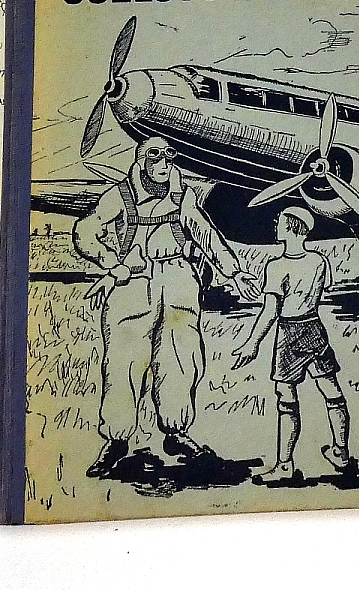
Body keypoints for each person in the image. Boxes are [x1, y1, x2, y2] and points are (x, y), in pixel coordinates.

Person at [74, 136, 262, 478]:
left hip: (178, 280)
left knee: (181, 359)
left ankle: (176, 432)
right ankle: (116, 439)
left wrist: (234, 272)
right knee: (123, 362)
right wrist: (111, 263)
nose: (163, 164)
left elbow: (205, 233)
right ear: (142, 161)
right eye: (155, 157)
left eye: (168, 157)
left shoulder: (182, 195)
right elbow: (85, 231)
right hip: (133, 284)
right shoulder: (120, 195)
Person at [230, 206, 352, 484]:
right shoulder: (319, 261)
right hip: (315, 328)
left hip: (290, 333)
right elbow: (324, 290)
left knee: (286, 397)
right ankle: (341, 451)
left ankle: (284, 465)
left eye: (280, 223)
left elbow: (270, 310)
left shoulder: (276, 266)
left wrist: (252, 343)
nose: (275, 226)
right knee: (331, 391)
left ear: (292, 228)